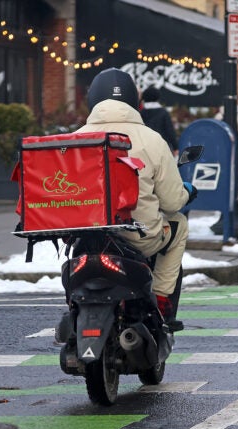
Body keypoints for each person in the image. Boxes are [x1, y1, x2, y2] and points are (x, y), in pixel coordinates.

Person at [75, 68, 197, 330]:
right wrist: (187, 190)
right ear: (134, 103)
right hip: (138, 238)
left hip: (86, 235)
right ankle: (162, 301)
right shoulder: (152, 139)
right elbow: (173, 203)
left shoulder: (75, 139)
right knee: (179, 224)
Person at [139, 86, 179, 155]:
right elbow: (170, 131)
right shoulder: (163, 112)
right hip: (161, 147)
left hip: (145, 148)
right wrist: (175, 147)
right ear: (158, 97)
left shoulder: (141, 113)